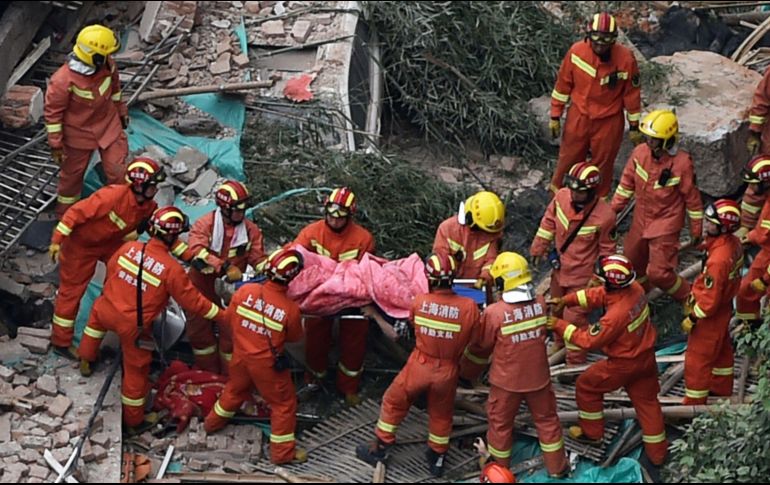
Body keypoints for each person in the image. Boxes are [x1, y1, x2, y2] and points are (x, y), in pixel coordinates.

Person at [78, 207, 225, 426]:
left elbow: (111, 270)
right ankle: (135, 420)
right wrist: (223, 315)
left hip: (105, 308)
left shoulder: (128, 248)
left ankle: (85, 361)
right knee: (137, 370)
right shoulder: (171, 270)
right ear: (172, 236)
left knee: (93, 329)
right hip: (133, 326)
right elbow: (192, 302)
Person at [356, 253, 480, 477]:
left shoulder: (420, 302)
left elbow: (409, 328)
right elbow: (474, 336)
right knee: (441, 413)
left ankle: (381, 447)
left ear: (430, 278)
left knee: (394, 401)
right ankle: (438, 457)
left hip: (420, 364)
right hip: (448, 370)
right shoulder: (469, 307)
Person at [548, 254, 668, 466]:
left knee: (587, 386)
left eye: (601, 278)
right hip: (646, 357)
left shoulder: (614, 317)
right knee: (648, 404)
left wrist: (557, 324)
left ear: (613, 284)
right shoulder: (635, 291)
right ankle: (658, 455)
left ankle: (593, 434)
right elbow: (599, 295)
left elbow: (587, 340)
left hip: (623, 365)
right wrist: (568, 300)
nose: (597, 279)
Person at [459, 252, 568, 478]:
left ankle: (498, 472)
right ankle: (557, 469)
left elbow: (481, 347)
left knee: (500, 427)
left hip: (506, 382)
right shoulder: (539, 303)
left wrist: (466, 370)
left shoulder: (494, 313)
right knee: (548, 422)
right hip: (539, 378)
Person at [49, 157, 167, 357]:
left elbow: (154, 226)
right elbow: (74, 214)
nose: (155, 190)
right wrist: (57, 240)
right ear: (138, 187)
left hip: (110, 243)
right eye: (152, 186)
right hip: (81, 245)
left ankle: (118, 317)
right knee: (71, 292)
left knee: (125, 274)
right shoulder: (111, 196)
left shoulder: (148, 206)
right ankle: (61, 342)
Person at [204, 248, 307, 464]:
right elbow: (295, 337)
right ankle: (282, 454)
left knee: (234, 390)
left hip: (240, 357)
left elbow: (230, 319)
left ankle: (211, 424)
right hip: (267, 366)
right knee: (284, 404)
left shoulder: (245, 292)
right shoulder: (290, 310)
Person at [293, 187, 375, 405]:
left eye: (340, 217)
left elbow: (368, 271)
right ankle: (313, 380)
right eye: (330, 215)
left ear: (350, 216)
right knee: (315, 339)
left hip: (350, 298)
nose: (334, 221)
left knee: (354, 341)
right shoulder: (312, 233)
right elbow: (294, 256)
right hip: (319, 297)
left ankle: (349, 387)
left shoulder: (363, 239)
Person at [612, 109, 703, 303]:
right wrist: (613, 212)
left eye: (654, 139)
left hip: (666, 223)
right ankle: (641, 296)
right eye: (648, 138)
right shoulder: (640, 153)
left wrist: (697, 230)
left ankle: (689, 297)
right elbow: (626, 184)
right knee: (632, 263)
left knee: (659, 273)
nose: (649, 142)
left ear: (667, 141)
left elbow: (693, 200)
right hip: (641, 219)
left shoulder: (682, 164)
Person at [529, 162, 616, 364]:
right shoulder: (561, 197)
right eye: (572, 189)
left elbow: (607, 252)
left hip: (582, 278)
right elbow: (549, 221)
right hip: (560, 270)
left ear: (591, 192)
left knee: (574, 320)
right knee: (556, 310)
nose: (574, 195)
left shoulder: (604, 216)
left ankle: (574, 363)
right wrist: (539, 246)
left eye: (580, 192)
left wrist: (597, 280)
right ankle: (558, 343)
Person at [548, 12, 642, 197]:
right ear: (588, 35)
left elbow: (632, 95)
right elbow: (563, 85)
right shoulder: (576, 52)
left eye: (606, 40)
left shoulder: (625, 59)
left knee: (603, 165)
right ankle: (557, 198)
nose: (600, 44)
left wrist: (634, 127)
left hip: (609, 121)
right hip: (579, 116)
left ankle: (598, 208)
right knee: (568, 158)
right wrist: (555, 115)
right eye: (597, 39)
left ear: (614, 39)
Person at [44, 24, 129, 218]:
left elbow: (115, 90)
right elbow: (53, 115)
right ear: (94, 56)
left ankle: (121, 210)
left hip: (108, 126)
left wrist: (121, 111)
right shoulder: (63, 80)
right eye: (105, 54)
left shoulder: (108, 65)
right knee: (71, 179)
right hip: (78, 135)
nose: (109, 57)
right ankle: (66, 217)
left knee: (117, 170)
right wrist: (56, 144)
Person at [185, 180, 266, 373]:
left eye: (244, 210)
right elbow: (196, 250)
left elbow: (258, 258)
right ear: (224, 209)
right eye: (237, 210)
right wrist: (224, 266)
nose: (241, 214)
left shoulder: (250, 230)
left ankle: (230, 380)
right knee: (200, 335)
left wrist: (269, 270)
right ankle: (208, 375)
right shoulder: (206, 224)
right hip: (201, 287)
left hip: (230, 292)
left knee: (231, 336)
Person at [681, 200, 742, 404]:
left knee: (698, 359)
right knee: (722, 350)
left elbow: (710, 297)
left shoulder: (719, 260)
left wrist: (693, 316)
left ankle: (693, 405)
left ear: (723, 227)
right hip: (723, 310)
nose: (706, 225)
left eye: (710, 223)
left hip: (710, 315)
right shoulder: (733, 244)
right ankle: (721, 389)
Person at [433, 190, 505, 288]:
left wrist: (484, 278)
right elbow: (440, 260)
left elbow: (491, 260)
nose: (486, 234)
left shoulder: (491, 234)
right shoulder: (448, 229)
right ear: (470, 219)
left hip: (478, 288)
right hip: (448, 288)